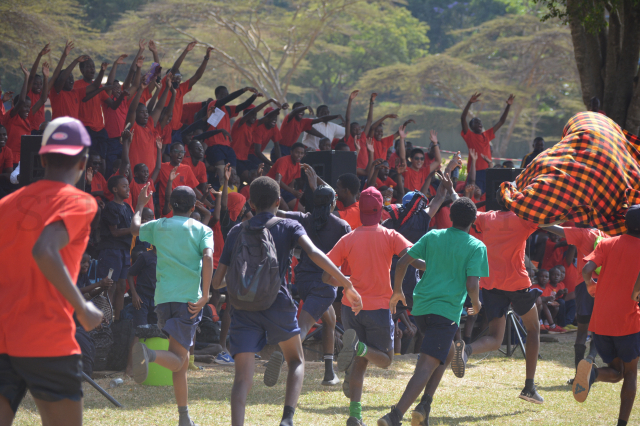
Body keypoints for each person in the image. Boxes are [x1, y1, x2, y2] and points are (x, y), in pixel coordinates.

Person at [211, 176, 362, 426]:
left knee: (242, 379)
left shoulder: (237, 231)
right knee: (296, 360)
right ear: (278, 201)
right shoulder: (289, 226)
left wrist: (244, 281)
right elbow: (314, 253)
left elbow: (217, 282)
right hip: (277, 303)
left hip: (243, 309)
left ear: (251, 203)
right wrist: (345, 283)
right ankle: (287, 419)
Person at [0, 117, 103, 426]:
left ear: (42, 159)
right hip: (48, 340)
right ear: (84, 162)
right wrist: (82, 307)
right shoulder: (80, 202)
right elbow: (45, 250)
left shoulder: (6, 204)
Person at [378, 197, 488, 426]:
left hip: (421, 308)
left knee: (448, 352)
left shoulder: (433, 235)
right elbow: (471, 284)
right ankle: (394, 416)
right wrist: (476, 304)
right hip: (445, 311)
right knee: (427, 364)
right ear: (473, 221)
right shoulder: (477, 246)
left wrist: (397, 291)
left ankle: (424, 407)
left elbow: (403, 262)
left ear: (450, 216)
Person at [326, 187, 414, 426]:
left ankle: (355, 416)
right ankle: (359, 346)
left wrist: (347, 283)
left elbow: (327, 275)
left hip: (350, 307)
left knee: (360, 362)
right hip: (379, 308)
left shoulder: (348, 238)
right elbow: (411, 256)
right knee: (384, 359)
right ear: (380, 210)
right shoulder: (390, 235)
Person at [131, 183, 214, 426]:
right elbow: (208, 257)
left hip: (163, 300)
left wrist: (140, 205)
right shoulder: (202, 229)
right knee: (179, 360)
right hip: (188, 301)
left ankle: (184, 417)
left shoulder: (159, 225)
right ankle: (149, 354)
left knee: (181, 362)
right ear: (193, 206)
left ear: (170, 205)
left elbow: (134, 229)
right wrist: (206, 294)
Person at [453, 193, 545, 404]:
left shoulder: (486, 218)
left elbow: (465, 210)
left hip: (491, 284)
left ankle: (467, 349)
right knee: (533, 330)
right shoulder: (523, 219)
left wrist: (452, 191)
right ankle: (529, 387)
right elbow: (547, 217)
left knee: (495, 339)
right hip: (517, 284)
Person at [276, 165, 352, 386]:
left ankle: (329, 373)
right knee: (303, 326)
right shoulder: (341, 225)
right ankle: (281, 354)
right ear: (333, 204)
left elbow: (278, 212)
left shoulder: (304, 219)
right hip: (325, 285)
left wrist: (274, 190)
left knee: (330, 320)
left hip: (303, 281)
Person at [573, 205, 640, 426]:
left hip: (600, 323)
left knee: (617, 372)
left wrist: (590, 284)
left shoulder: (607, 243)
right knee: (630, 374)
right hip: (627, 322)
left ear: (626, 223)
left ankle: (593, 374)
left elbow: (586, 270)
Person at [543, 223, 608, 374]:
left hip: (585, 284)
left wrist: (539, 221)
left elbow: (557, 230)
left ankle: (579, 373)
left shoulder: (583, 233)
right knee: (597, 329)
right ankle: (591, 358)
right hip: (604, 284)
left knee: (582, 331)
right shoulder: (606, 234)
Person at [460, 92, 515, 193]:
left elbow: (501, 121)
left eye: (480, 122)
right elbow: (463, 118)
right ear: (471, 127)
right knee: (474, 195)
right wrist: (469, 103)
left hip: (488, 171)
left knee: (487, 196)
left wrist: (508, 105)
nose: (479, 124)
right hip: (475, 172)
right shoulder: (469, 136)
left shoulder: (487, 135)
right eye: (476, 122)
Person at [97, 174, 134, 320]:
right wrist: (134, 229)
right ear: (115, 189)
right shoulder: (110, 207)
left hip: (124, 250)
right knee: (110, 286)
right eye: (124, 186)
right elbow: (115, 232)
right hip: (111, 250)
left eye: (128, 186)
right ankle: (105, 321)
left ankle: (118, 321)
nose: (128, 189)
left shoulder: (127, 207)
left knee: (121, 286)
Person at [267, 142, 306, 210]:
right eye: (297, 152)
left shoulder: (298, 165)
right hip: (271, 187)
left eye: (302, 153)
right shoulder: (283, 161)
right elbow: (278, 181)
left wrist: (294, 194)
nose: (299, 155)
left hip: (283, 190)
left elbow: (291, 183)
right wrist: (293, 192)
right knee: (285, 208)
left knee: (301, 210)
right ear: (291, 152)